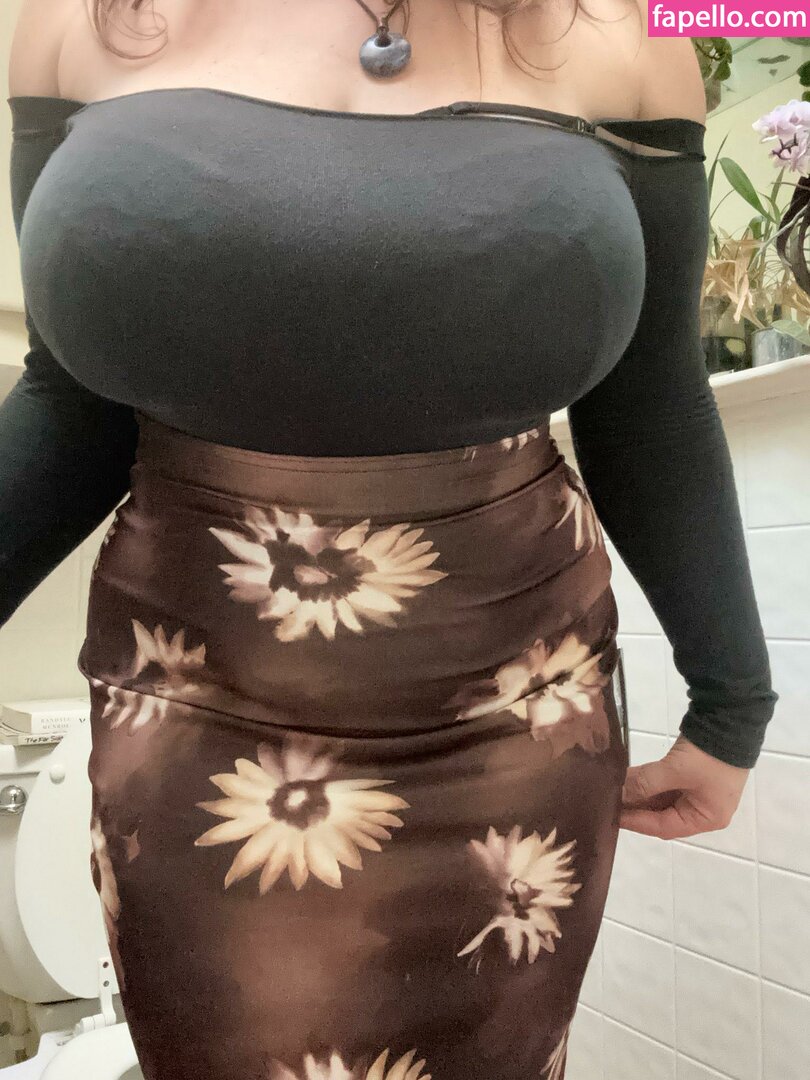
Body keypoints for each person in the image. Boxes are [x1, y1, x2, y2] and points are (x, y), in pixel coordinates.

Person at [0, 1, 778, 1077]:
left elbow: (650, 406)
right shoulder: (88, 23)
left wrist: (733, 703)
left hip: (513, 720)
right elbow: (70, 402)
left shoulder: (625, 36)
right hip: (196, 707)